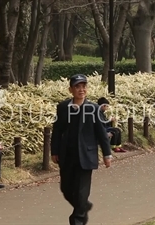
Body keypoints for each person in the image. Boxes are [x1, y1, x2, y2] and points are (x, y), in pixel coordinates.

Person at [51, 74, 112, 225]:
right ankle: (83, 205)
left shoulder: (94, 108)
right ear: (71, 89)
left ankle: (77, 219)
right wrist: (54, 151)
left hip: (86, 155)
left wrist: (107, 154)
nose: (81, 89)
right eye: (77, 86)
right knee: (66, 189)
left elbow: (101, 133)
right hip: (67, 155)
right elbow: (57, 130)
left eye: (84, 86)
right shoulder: (63, 107)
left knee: (81, 191)